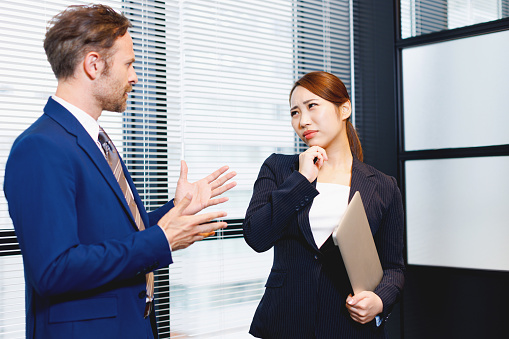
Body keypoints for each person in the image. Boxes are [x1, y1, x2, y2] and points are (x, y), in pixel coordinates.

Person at [3, 5, 236, 339]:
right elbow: (53, 269)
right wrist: (163, 240)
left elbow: (113, 237)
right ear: (94, 64)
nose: (135, 77)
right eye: (129, 64)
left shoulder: (94, 139)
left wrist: (176, 210)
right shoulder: (40, 147)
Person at [243, 71, 404, 338]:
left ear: (344, 109)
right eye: (294, 112)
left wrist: (379, 302)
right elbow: (257, 236)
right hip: (284, 324)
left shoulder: (384, 186)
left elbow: (393, 268)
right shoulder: (279, 168)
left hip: (349, 328)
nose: (303, 121)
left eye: (312, 106)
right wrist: (301, 180)